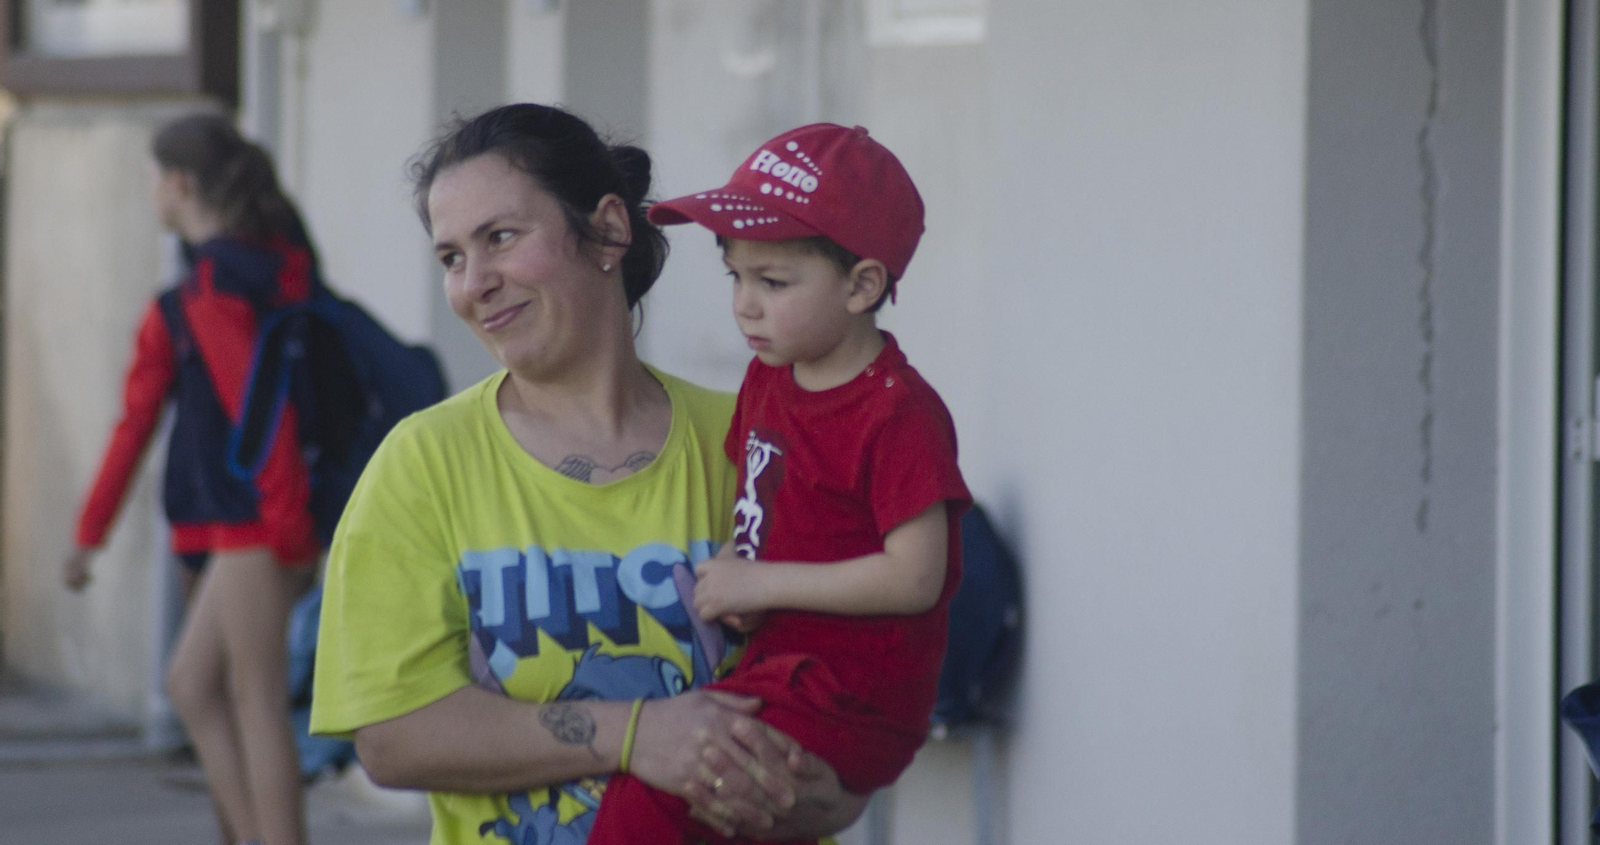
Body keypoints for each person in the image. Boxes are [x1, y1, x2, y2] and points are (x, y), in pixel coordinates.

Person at [309, 103, 868, 845]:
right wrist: (636, 733)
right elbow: (392, 736)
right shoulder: (423, 466)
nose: (474, 283)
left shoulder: (757, 446)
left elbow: (852, 703)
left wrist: (832, 787)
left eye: (500, 238)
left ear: (607, 228)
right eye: (451, 258)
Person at [581, 122, 972, 843]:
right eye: (736, 275)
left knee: (655, 798)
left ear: (862, 285)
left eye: (773, 282)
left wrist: (762, 585)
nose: (745, 305)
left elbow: (917, 577)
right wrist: (739, 565)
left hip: (852, 696)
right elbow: (763, 508)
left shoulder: (897, 413)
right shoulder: (770, 377)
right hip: (780, 666)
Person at [63, 113, 322, 845]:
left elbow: (261, 417)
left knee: (252, 700)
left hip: (255, 523)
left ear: (180, 185)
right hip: (247, 519)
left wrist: (290, 527)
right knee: (202, 687)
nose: (149, 192)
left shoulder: (212, 289)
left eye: (150, 178)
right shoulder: (280, 261)